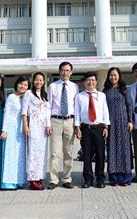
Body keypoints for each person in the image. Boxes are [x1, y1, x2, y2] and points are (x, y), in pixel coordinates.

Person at [47, 62, 79, 190]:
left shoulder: (75, 86)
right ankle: (53, 179)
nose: (65, 73)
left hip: (70, 121)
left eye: (67, 70)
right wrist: (47, 123)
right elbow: (48, 105)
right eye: (63, 70)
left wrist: (77, 125)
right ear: (59, 71)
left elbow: (76, 106)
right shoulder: (52, 86)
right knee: (55, 153)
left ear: (71, 72)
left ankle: (67, 178)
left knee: (68, 152)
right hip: (56, 121)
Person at [75, 72, 110, 189]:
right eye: (88, 80)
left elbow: (105, 111)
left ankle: (100, 178)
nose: (90, 82)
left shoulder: (101, 95)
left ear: (96, 82)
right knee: (87, 155)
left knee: (100, 154)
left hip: (99, 128)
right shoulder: (80, 96)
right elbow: (77, 113)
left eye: (92, 80)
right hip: (86, 128)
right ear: (85, 82)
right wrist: (77, 128)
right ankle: (88, 179)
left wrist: (106, 126)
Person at [102, 67, 133, 186]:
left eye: (115, 75)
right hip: (110, 124)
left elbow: (129, 106)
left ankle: (125, 178)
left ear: (119, 76)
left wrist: (130, 121)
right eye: (111, 75)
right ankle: (114, 178)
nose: (113, 77)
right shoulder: (105, 91)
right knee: (112, 149)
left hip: (123, 122)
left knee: (124, 149)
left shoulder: (124, 90)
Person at [22, 72, 51, 190]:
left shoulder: (45, 95)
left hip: (43, 128)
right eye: (36, 80)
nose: (38, 82)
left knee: (42, 152)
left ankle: (40, 177)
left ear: (44, 82)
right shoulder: (28, 93)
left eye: (41, 80)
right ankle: (33, 180)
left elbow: (48, 111)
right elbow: (24, 111)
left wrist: (48, 125)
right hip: (33, 125)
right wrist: (25, 126)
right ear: (33, 81)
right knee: (33, 152)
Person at [0, 76, 29, 190]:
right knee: (10, 154)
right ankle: (8, 181)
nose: (23, 86)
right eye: (21, 84)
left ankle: (19, 180)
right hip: (11, 128)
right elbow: (6, 113)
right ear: (16, 84)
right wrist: (4, 130)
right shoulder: (11, 97)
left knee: (20, 155)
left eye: (25, 85)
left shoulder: (26, 98)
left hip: (22, 129)